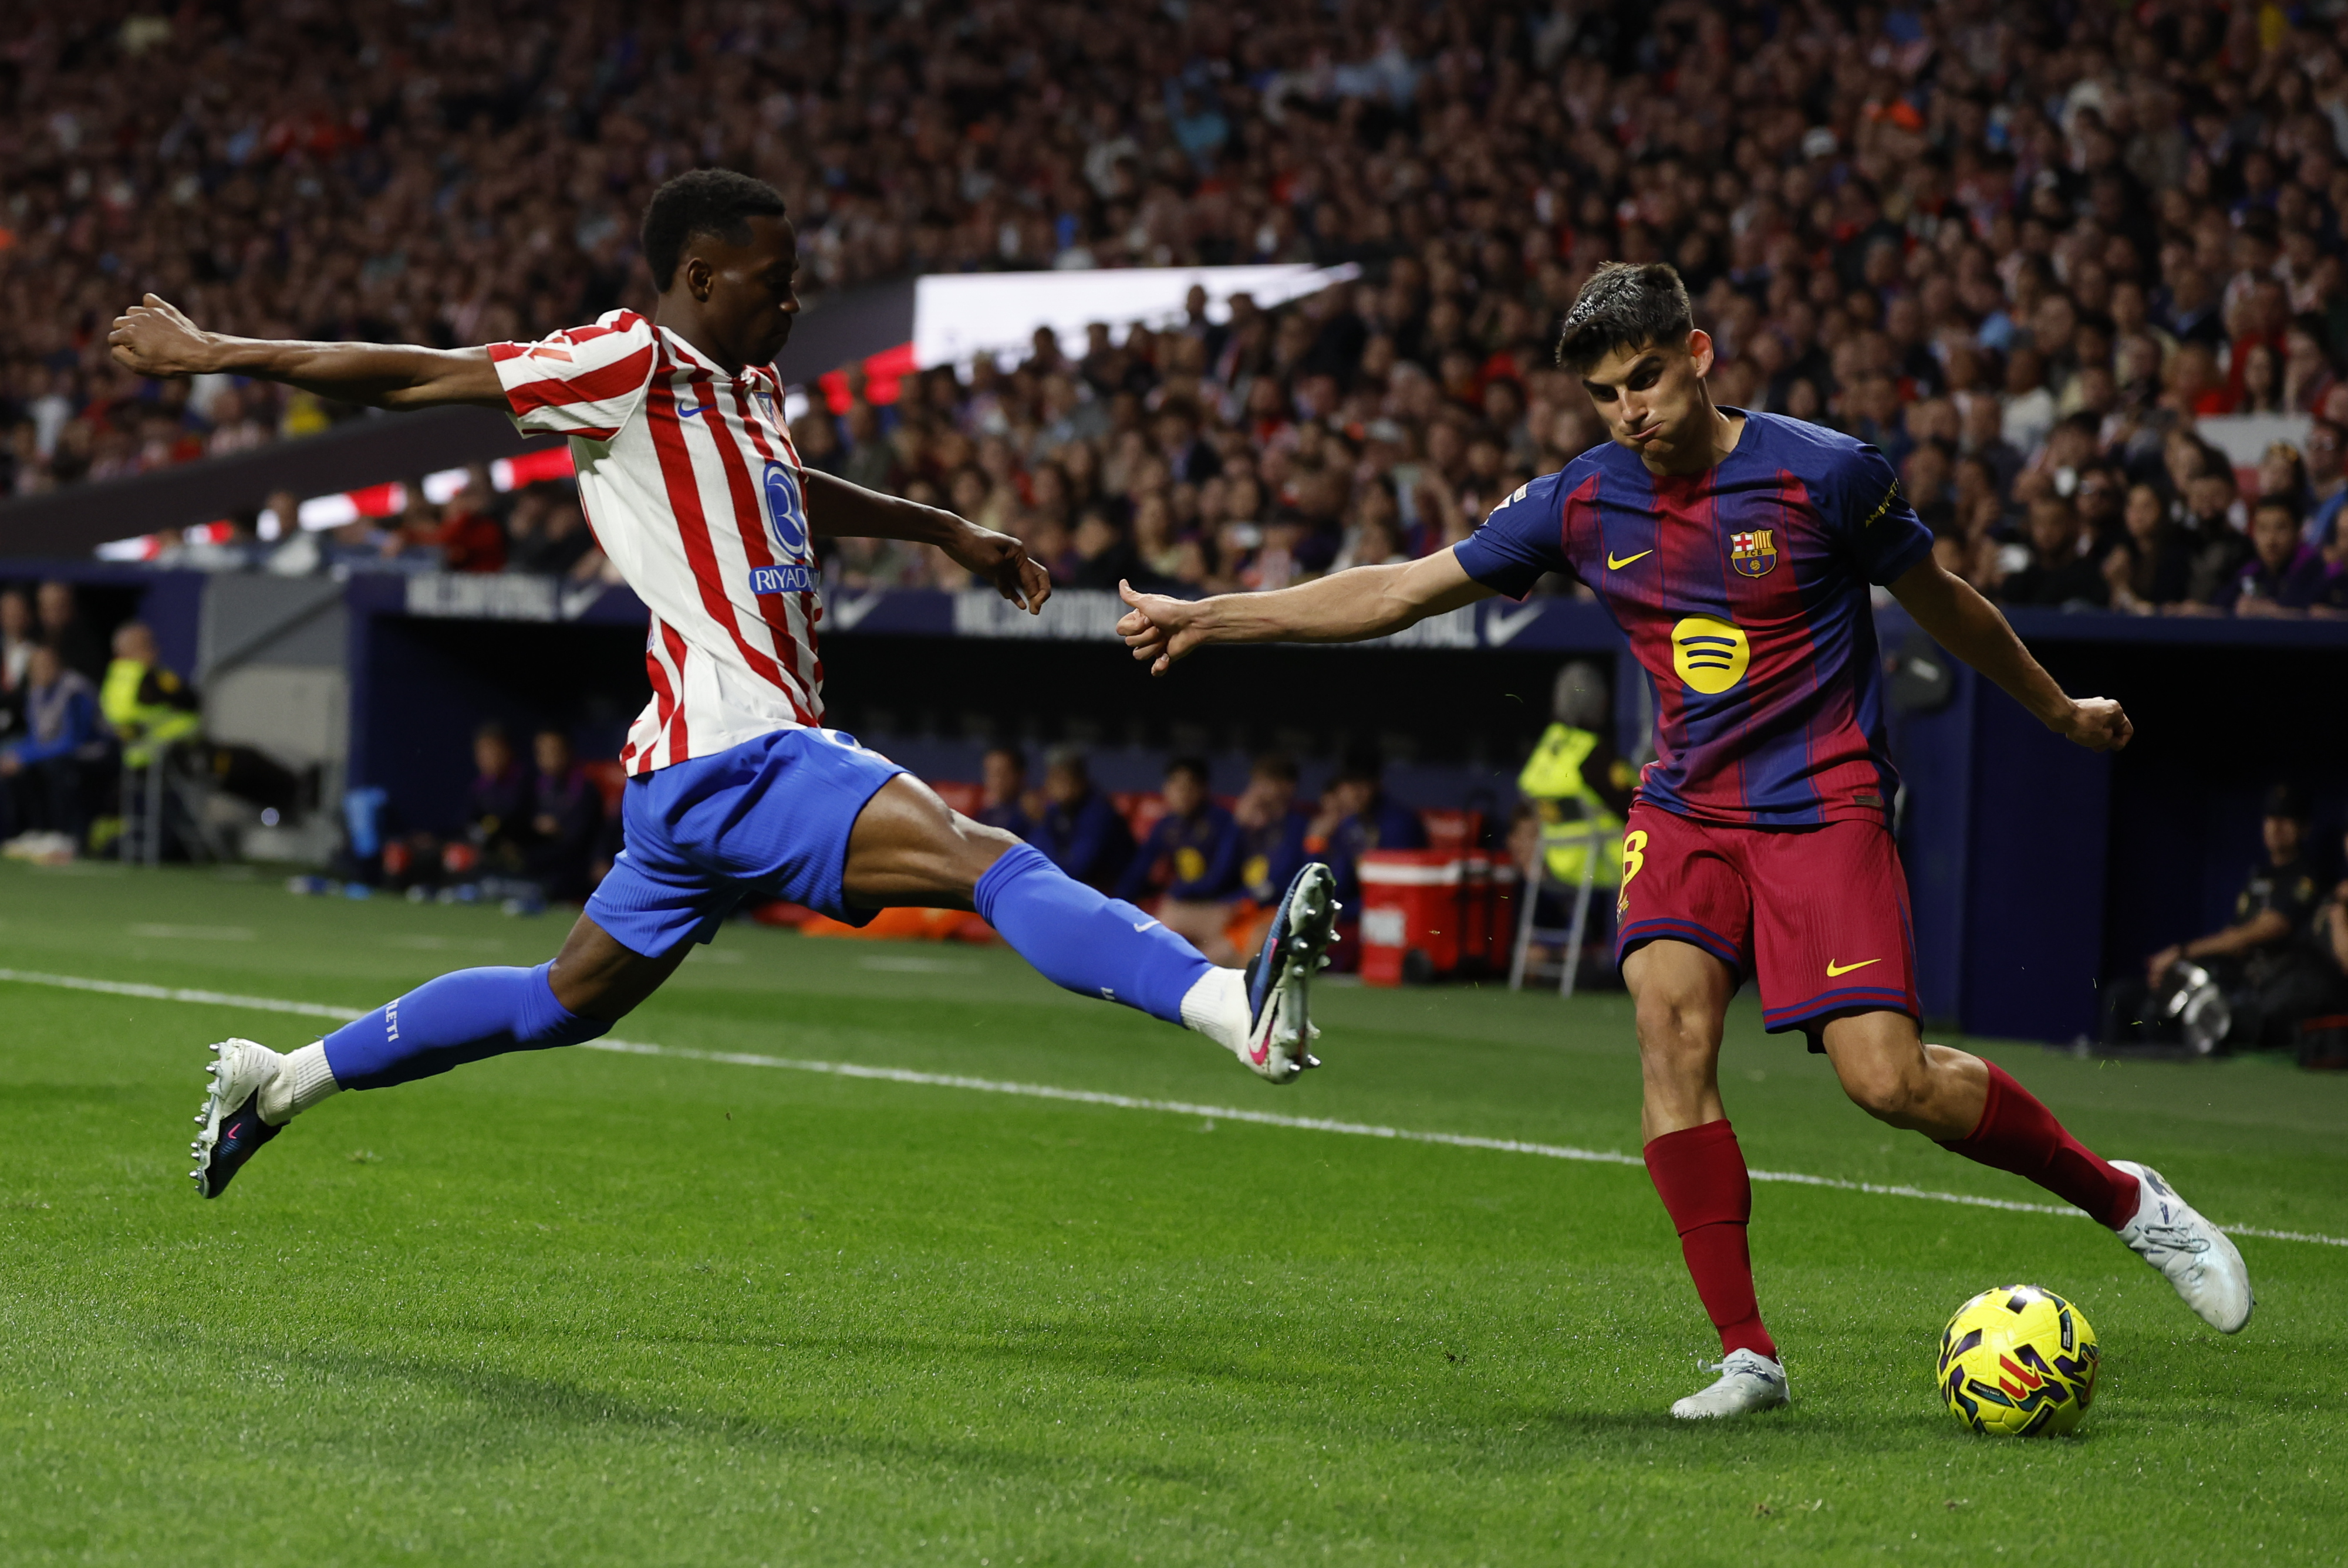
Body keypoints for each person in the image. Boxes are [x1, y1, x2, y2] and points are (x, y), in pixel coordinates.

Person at [1116, 259, 2252, 1420]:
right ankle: (1747, 1355)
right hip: (1682, 805)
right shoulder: (1578, 500)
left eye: (1646, 379)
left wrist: (2056, 710)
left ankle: (2124, 1200)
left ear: (1697, 354)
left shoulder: (1826, 474)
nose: (1630, 411)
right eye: (1606, 394)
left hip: (1821, 797)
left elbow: (1944, 599)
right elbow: (1402, 589)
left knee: (1887, 1081)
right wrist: (1211, 613)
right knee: (1669, 1039)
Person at [112, 168, 1338, 1202]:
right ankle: (1230, 1004)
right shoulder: (625, 358)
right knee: (984, 856)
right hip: (738, 744)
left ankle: (285, 1077)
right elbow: (428, 376)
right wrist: (216, 353)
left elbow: (785, 489)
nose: (796, 300)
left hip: (693, 774)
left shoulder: (746, 390)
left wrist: (940, 527)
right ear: (699, 278)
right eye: (773, 281)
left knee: (559, 1002)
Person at [2104, 785, 2331, 1051]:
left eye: (2286, 819)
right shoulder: (2258, 877)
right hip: (2229, 976)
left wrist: (2182, 953)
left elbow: (2253, 935)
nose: (2276, 827)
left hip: (2262, 993)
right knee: (2121, 996)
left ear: (2304, 829)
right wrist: (2179, 968)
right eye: (2270, 818)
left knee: (2159, 1017)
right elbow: (2230, 938)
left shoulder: (2306, 879)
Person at [1518, 661, 1634, 891]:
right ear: (1600, 702)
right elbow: (1636, 804)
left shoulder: (1546, 746)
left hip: (1558, 864)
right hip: (1607, 863)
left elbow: (1526, 791)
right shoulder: (1594, 755)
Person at [1119, 755, 1241, 944]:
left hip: (1220, 905)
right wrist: (1117, 903)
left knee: (1167, 919)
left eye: (1189, 787)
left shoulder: (1222, 823)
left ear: (1204, 789)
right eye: (1175, 786)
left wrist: (1176, 892)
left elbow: (1221, 877)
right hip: (1184, 904)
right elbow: (1139, 870)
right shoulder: (1167, 825)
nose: (1182, 794)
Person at [0, 642, 109, 850]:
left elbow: (73, 741)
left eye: (47, 665)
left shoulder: (75, 690)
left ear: (59, 665)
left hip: (94, 753)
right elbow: (36, 738)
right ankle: (37, 831)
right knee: (15, 767)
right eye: (36, 667)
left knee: (53, 766)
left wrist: (26, 757)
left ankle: (66, 834)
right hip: (57, 754)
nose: (42, 671)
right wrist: (14, 756)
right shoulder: (36, 693)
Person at [1310, 749, 1426, 913]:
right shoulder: (1350, 823)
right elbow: (1337, 886)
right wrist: (1316, 845)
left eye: (1363, 785)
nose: (1355, 794)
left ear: (1377, 784)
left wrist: (1342, 913)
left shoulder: (1399, 824)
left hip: (1395, 915)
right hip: (1358, 913)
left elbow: (1393, 892)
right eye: (1350, 785)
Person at [1028, 744, 1136, 894]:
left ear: (1078, 780)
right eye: (1050, 776)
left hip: (1112, 894)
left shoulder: (1099, 813)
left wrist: (1042, 822)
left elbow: (1075, 872)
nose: (1049, 784)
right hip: (1079, 889)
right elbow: (1034, 858)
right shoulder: (1056, 811)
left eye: (1059, 777)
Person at [99, 620, 201, 770]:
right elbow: (191, 700)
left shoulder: (112, 682)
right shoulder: (150, 678)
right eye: (149, 645)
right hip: (171, 751)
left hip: (135, 758)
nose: (156, 650)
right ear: (136, 648)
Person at [522, 725, 605, 901]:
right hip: (543, 862)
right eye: (542, 752)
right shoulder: (537, 787)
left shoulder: (585, 788)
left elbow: (581, 839)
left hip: (576, 867)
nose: (548, 758)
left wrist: (558, 829)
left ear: (569, 751)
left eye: (554, 751)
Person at [973, 743, 1036, 839]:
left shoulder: (1032, 815)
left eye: (1002, 773)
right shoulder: (986, 815)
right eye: (991, 774)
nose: (996, 781)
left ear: (1021, 775)